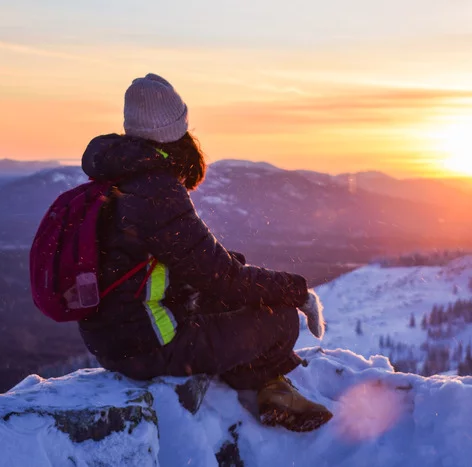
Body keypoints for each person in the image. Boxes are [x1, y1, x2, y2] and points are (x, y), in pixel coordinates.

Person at [78, 73, 333, 432]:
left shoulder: (119, 177)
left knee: (232, 301)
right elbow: (222, 278)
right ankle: (268, 387)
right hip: (148, 346)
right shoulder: (156, 192)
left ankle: (269, 386)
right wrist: (296, 292)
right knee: (278, 320)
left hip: (116, 339)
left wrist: (235, 271)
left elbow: (196, 264)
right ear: (177, 128)